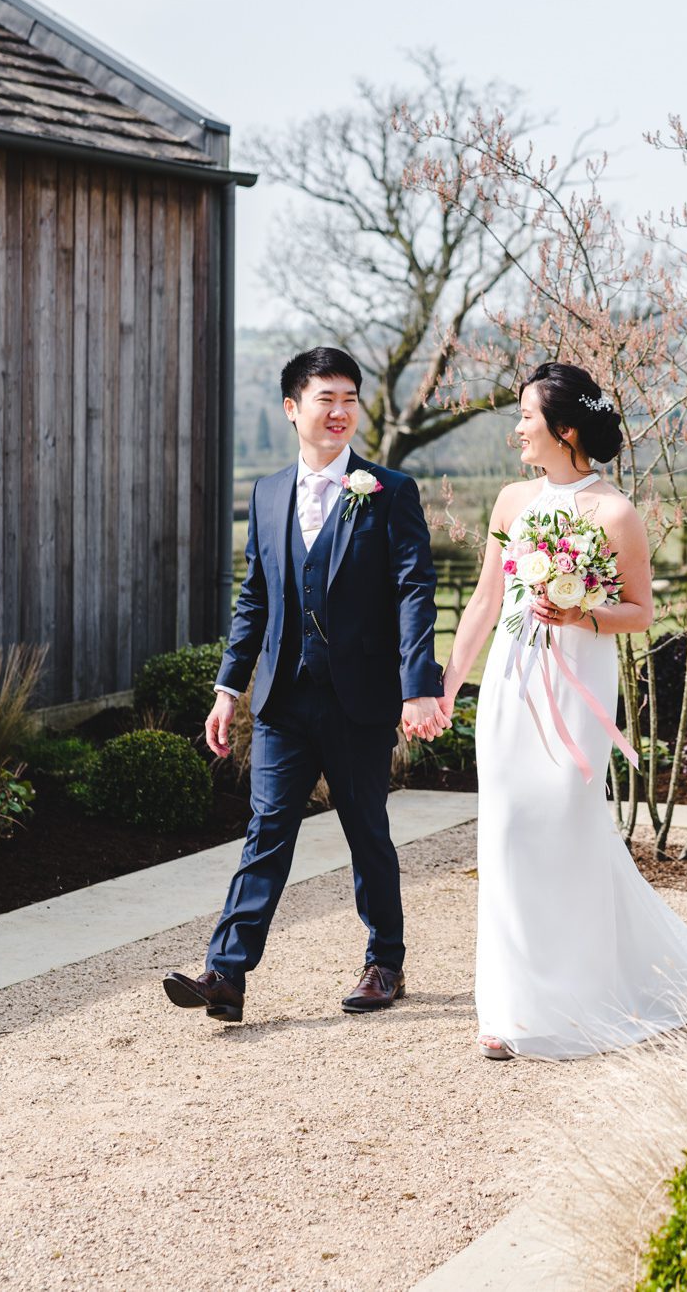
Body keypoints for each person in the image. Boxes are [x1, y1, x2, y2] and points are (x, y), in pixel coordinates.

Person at [440, 362, 687, 1060]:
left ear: (565, 429)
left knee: (568, 828)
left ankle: (582, 993)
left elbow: (639, 612)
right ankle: (508, 1008)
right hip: (513, 687)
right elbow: (484, 602)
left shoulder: (615, 512)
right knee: (505, 836)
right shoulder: (511, 503)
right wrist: (447, 688)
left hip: (578, 693)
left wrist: (580, 612)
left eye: (527, 418)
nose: (517, 430)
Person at [162, 347, 447, 1024]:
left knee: (366, 829)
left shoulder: (390, 492)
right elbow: (254, 599)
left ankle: (385, 960)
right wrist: (228, 690)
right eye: (327, 397)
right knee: (266, 828)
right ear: (293, 409)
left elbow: (414, 592)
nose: (341, 409)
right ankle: (225, 974)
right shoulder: (264, 494)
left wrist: (416, 685)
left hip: (361, 700)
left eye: (350, 396)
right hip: (284, 700)